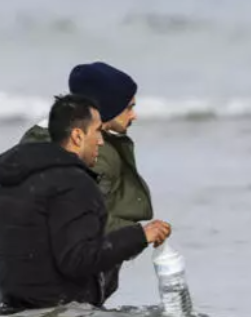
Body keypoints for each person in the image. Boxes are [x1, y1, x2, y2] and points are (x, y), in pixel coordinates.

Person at [0, 93, 172, 312]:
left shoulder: (11, 181)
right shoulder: (75, 183)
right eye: (97, 132)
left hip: (9, 311)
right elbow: (79, 259)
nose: (101, 141)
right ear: (77, 136)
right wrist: (140, 235)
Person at [20, 61, 154, 300]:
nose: (134, 115)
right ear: (105, 108)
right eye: (128, 107)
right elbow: (84, 223)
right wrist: (138, 236)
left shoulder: (40, 139)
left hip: (27, 280)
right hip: (71, 287)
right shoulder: (94, 153)